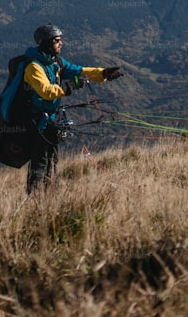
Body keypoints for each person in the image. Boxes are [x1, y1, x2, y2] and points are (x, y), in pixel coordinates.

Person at [22, 23, 123, 194]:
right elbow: (46, 91)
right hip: (36, 122)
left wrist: (103, 74)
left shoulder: (56, 62)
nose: (61, 43)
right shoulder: (34, 67)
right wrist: (70, 87)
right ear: (46, 43)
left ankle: (49, 197)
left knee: (52, 160)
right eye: (57, 40)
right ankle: (33, 199)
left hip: (51, 121)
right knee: (39, 162)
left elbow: (80, 71)